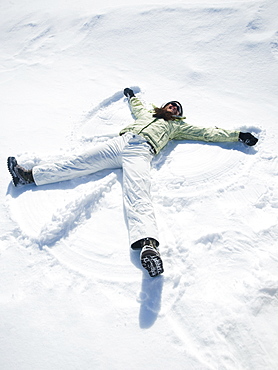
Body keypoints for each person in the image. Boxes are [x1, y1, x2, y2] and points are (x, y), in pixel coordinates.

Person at [7, 88, 258, 277]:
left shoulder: (177, 127)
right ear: (164, 106)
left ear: (179, 115)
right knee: (79, 161)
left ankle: (148, 245)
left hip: (142, 151)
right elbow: (138, 106)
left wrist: (237, 135)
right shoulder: (148, 113)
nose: (173, 108)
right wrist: (130, 96)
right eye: (171, 105)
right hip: (120, 142)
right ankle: (29, 176)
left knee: (138, 193)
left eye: (176, 109)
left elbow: (207, 133)